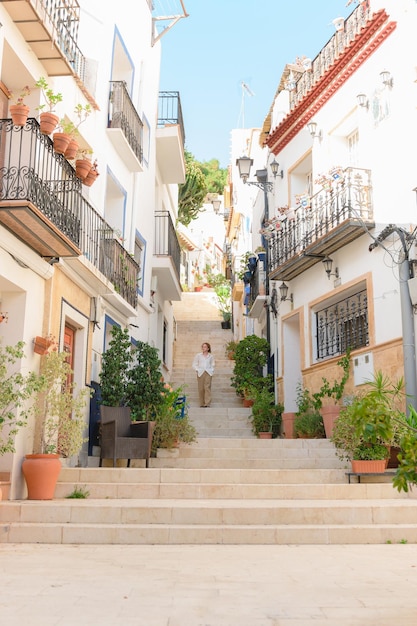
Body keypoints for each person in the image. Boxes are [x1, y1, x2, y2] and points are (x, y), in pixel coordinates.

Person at [192, 342, 215, 407]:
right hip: (200, 373)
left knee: (207, 388)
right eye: (203, 347)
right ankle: (202, 403)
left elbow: (213, 364)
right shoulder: (198, 355)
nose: (203, 348)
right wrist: (197, 369)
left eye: (205, 347)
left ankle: (207, 403)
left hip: (208, 372)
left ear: (208, 348)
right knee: (201, 388)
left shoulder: (211, 356)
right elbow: (194, 364)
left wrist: (212, 370)